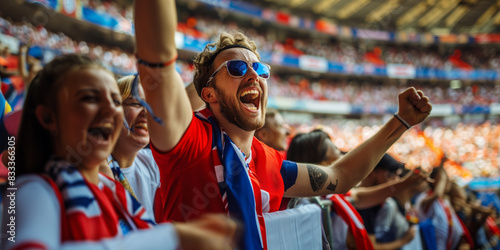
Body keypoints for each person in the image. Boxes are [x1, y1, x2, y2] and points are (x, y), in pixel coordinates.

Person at [134, 0, 432, 249]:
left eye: (260, 69)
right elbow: (156, 60)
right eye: (237, 68)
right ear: (208, 94)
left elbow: (340, 176)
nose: (254, 75)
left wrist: (401, 122)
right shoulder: (188, 139)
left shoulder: (267, 161)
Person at [2, 54, 237, 250]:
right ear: (47, 117)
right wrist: (173, 238)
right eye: (91, 98)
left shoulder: (113, 191)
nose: (108, 109)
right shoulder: (34, 190)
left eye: (115, 100)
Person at [287, 129, 373, 250]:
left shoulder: (332, 197)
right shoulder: (305, 206)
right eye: (336, 150)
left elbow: (359, 196)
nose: (343, 155)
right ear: (324, 166)